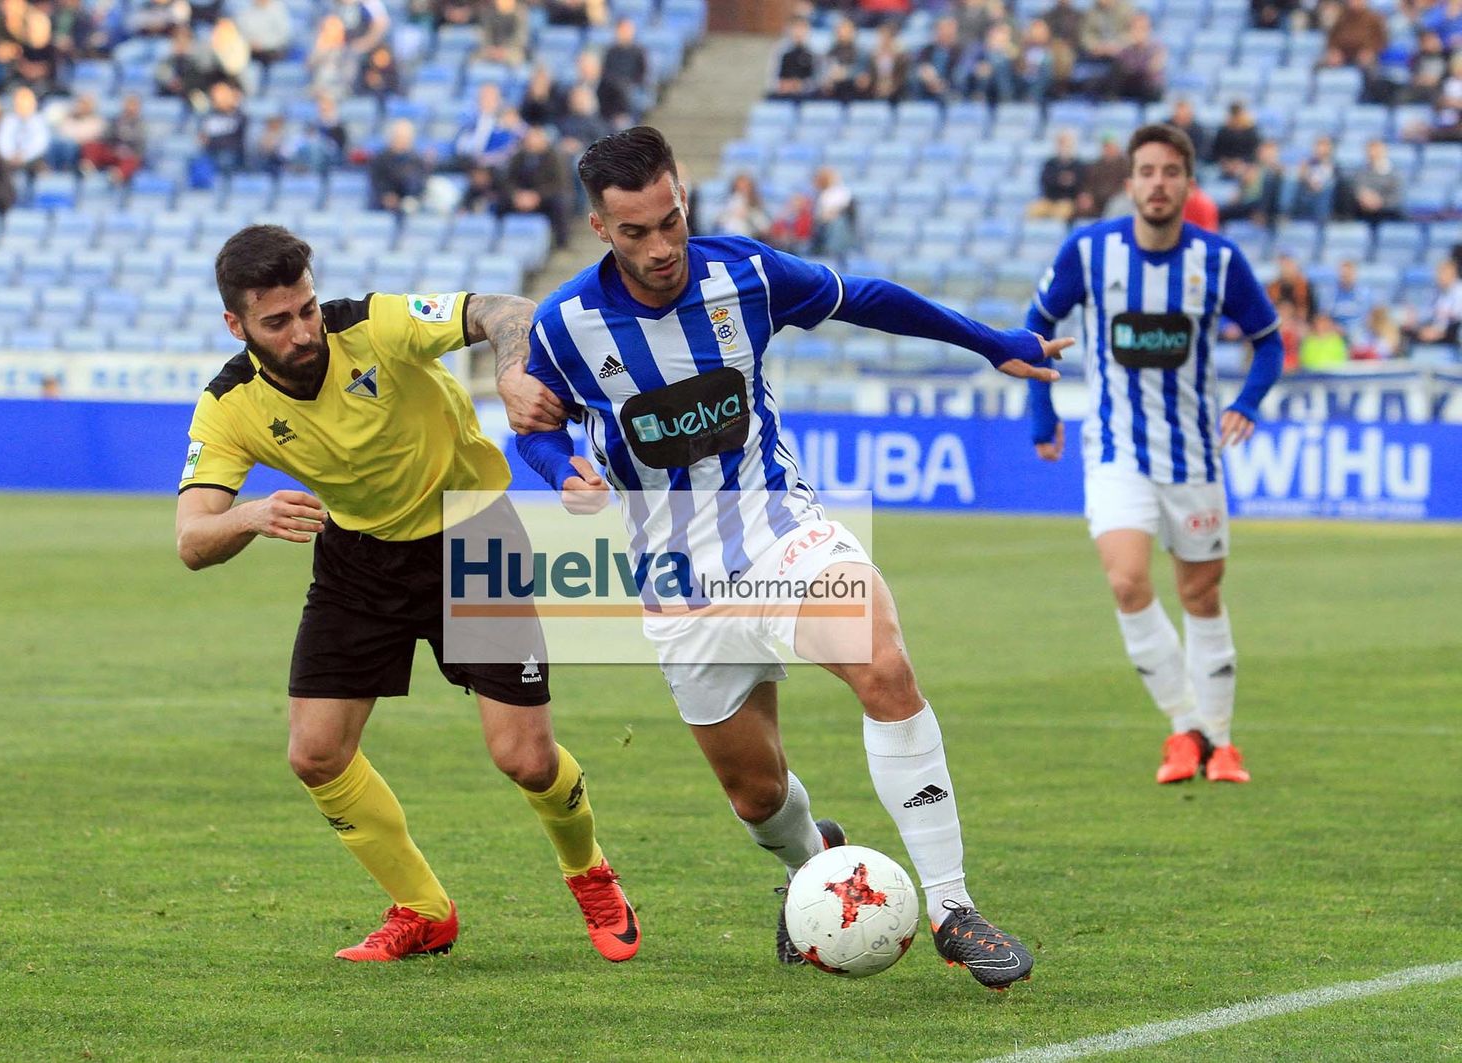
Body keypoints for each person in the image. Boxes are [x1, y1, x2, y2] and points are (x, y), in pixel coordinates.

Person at [514, 127, 1065, 989]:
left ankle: (954, 909)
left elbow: (867, 298)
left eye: (671, 220)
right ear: (598, 228)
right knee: (758, 797)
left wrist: (989, 340)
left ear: (682, 197)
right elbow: (536, 427)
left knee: (883, 664)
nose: (660, 247)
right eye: (635, 232)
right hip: (676, 582)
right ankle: (815, 860)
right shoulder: (564, 326)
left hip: (780, 532)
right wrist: (563, 472)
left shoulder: (746, 274)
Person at [175, 224, 639, 964]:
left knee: (525, 758)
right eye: (277, 321)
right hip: (359, 559)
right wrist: (250, 516)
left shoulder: (375, 325)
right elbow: (193, 540)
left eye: (306, 309)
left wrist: (511, 370)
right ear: (237, 325)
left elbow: (505, 309)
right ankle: (423, 911)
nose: (303, 331)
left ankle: (591, 874)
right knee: (316, 753)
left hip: (473, 534)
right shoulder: (230, 404)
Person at [1026, 123, 1284, 786]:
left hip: (1195, 456)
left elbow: (1269, 340)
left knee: (1201, 593)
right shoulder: (1090, 251)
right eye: (1147, 172)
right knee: (1126, 581)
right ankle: (1185, 727)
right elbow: (1037, 325)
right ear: (1131, 182)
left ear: (1189, 184)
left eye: (1171, 172)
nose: (1158, 184)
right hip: (1117, 451)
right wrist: (1041, 408)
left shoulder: (1218, 260)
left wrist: (1249, 402)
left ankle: (1221, 742)